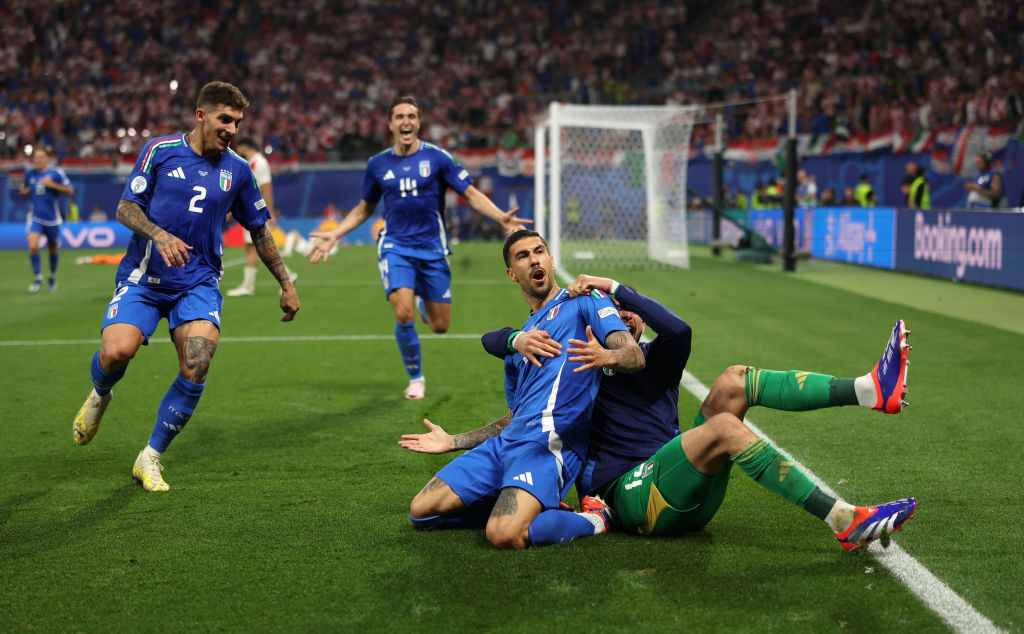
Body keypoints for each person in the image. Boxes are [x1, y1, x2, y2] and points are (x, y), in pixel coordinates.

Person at [465, 275, 916, 551]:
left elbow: (679, 328)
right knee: (723, 426)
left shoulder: (655, 358)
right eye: (612, 313)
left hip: (674, 478)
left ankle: (870, 390)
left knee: (734, 379)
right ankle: (845, 521)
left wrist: (617, 289)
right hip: (632, 496)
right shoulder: (577, 372)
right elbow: (525, 413)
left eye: (628, 313)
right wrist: (459, 440)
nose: (621, 317)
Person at [72, 81, 301, 492]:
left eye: (238, 122)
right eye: (224, 119)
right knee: (115, 352)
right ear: (201, 115)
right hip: (145, 277)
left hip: (197, 281)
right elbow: (126, 207)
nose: (232, 129)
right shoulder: (160, 151)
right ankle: (101, 393)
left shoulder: (239, 171)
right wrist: (158, 235)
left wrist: (285, 281)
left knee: (197, 362)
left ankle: (150, 457)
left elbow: (260, 231)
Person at [398, 230, 645, 549]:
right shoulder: (522, 339)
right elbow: (511, 419)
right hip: (505, 445)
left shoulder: (584, 302)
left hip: (548, 445)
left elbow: (634, 355)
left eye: (539, 251)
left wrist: (606, 356)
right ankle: (529, 505)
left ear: (551, 260)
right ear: (512, 274)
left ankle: (596, 519)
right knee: (422, 512)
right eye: (523, 256)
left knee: (503, 535)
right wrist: (453, 441)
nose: (534, 259)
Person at [307, 95, 529, 400]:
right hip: (395, 245)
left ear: (419, 122)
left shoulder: (438, 158)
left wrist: (501, 216)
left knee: (440, 326)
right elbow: (364, 208)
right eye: (399, 116)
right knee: (402, 312)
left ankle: (424, 304)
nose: (406, 121)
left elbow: (471, 193)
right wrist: (336, 233)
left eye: (411, 116)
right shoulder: (377, 164)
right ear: (390, 124)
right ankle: (416, 377)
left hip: (433, 249)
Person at [226, 137, 298, 296]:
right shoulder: (251, 163)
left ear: (246, 146)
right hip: (249, 211)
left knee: (259, 247)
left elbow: (266, 188)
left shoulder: (260, 163)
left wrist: (269, 212)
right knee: (253, 247)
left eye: (240, 148)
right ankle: (250, 285)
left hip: (256, 213)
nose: (239, 151)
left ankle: (253, 285)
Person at [20, 145, 74, 293]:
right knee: (33, 246)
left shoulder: (56, 173)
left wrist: (52, 185)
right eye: (36, 158)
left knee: (53, 250)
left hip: (52, 219)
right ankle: (38, 278)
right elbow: (23, 190)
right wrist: (23, 191)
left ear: (47, 159)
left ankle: (52, 275)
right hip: (35, 217)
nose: (38, 160)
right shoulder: (29, 174)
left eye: (41, 157)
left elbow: (70, 190)